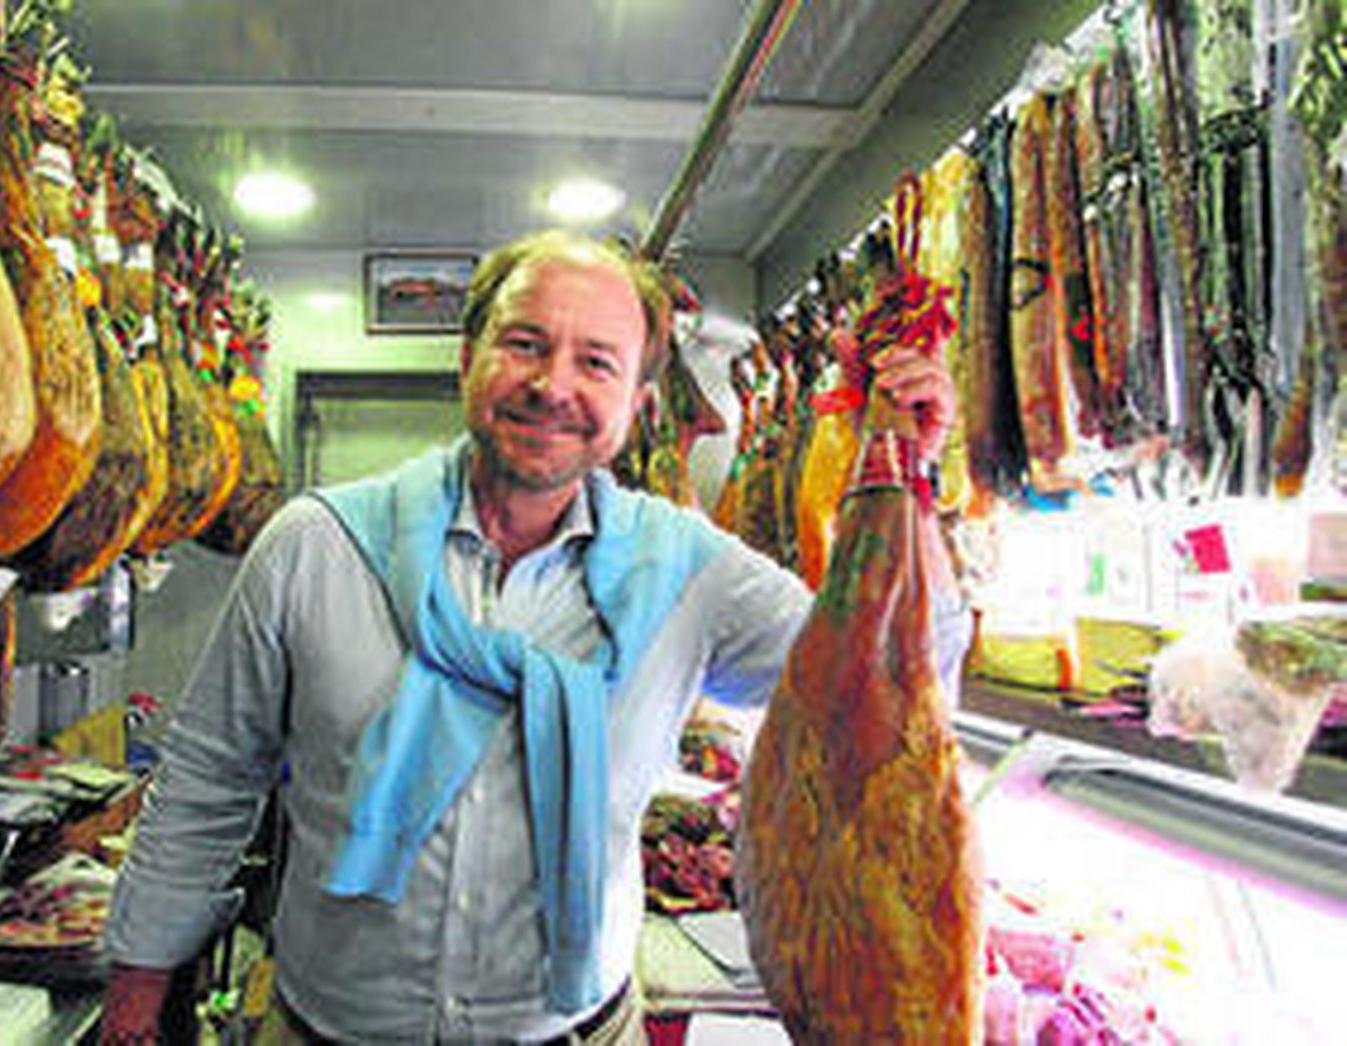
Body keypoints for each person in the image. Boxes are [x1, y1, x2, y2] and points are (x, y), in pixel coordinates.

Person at [99, 230, 968, 1044]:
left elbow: (897, 677)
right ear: (466, 357)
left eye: (597, 362)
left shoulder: (692, 571)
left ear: (636, 402)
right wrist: (136, 993)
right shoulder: (315, 544)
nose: (553, 384)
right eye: (524, 343)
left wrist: (906, 477)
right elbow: (208, 778)